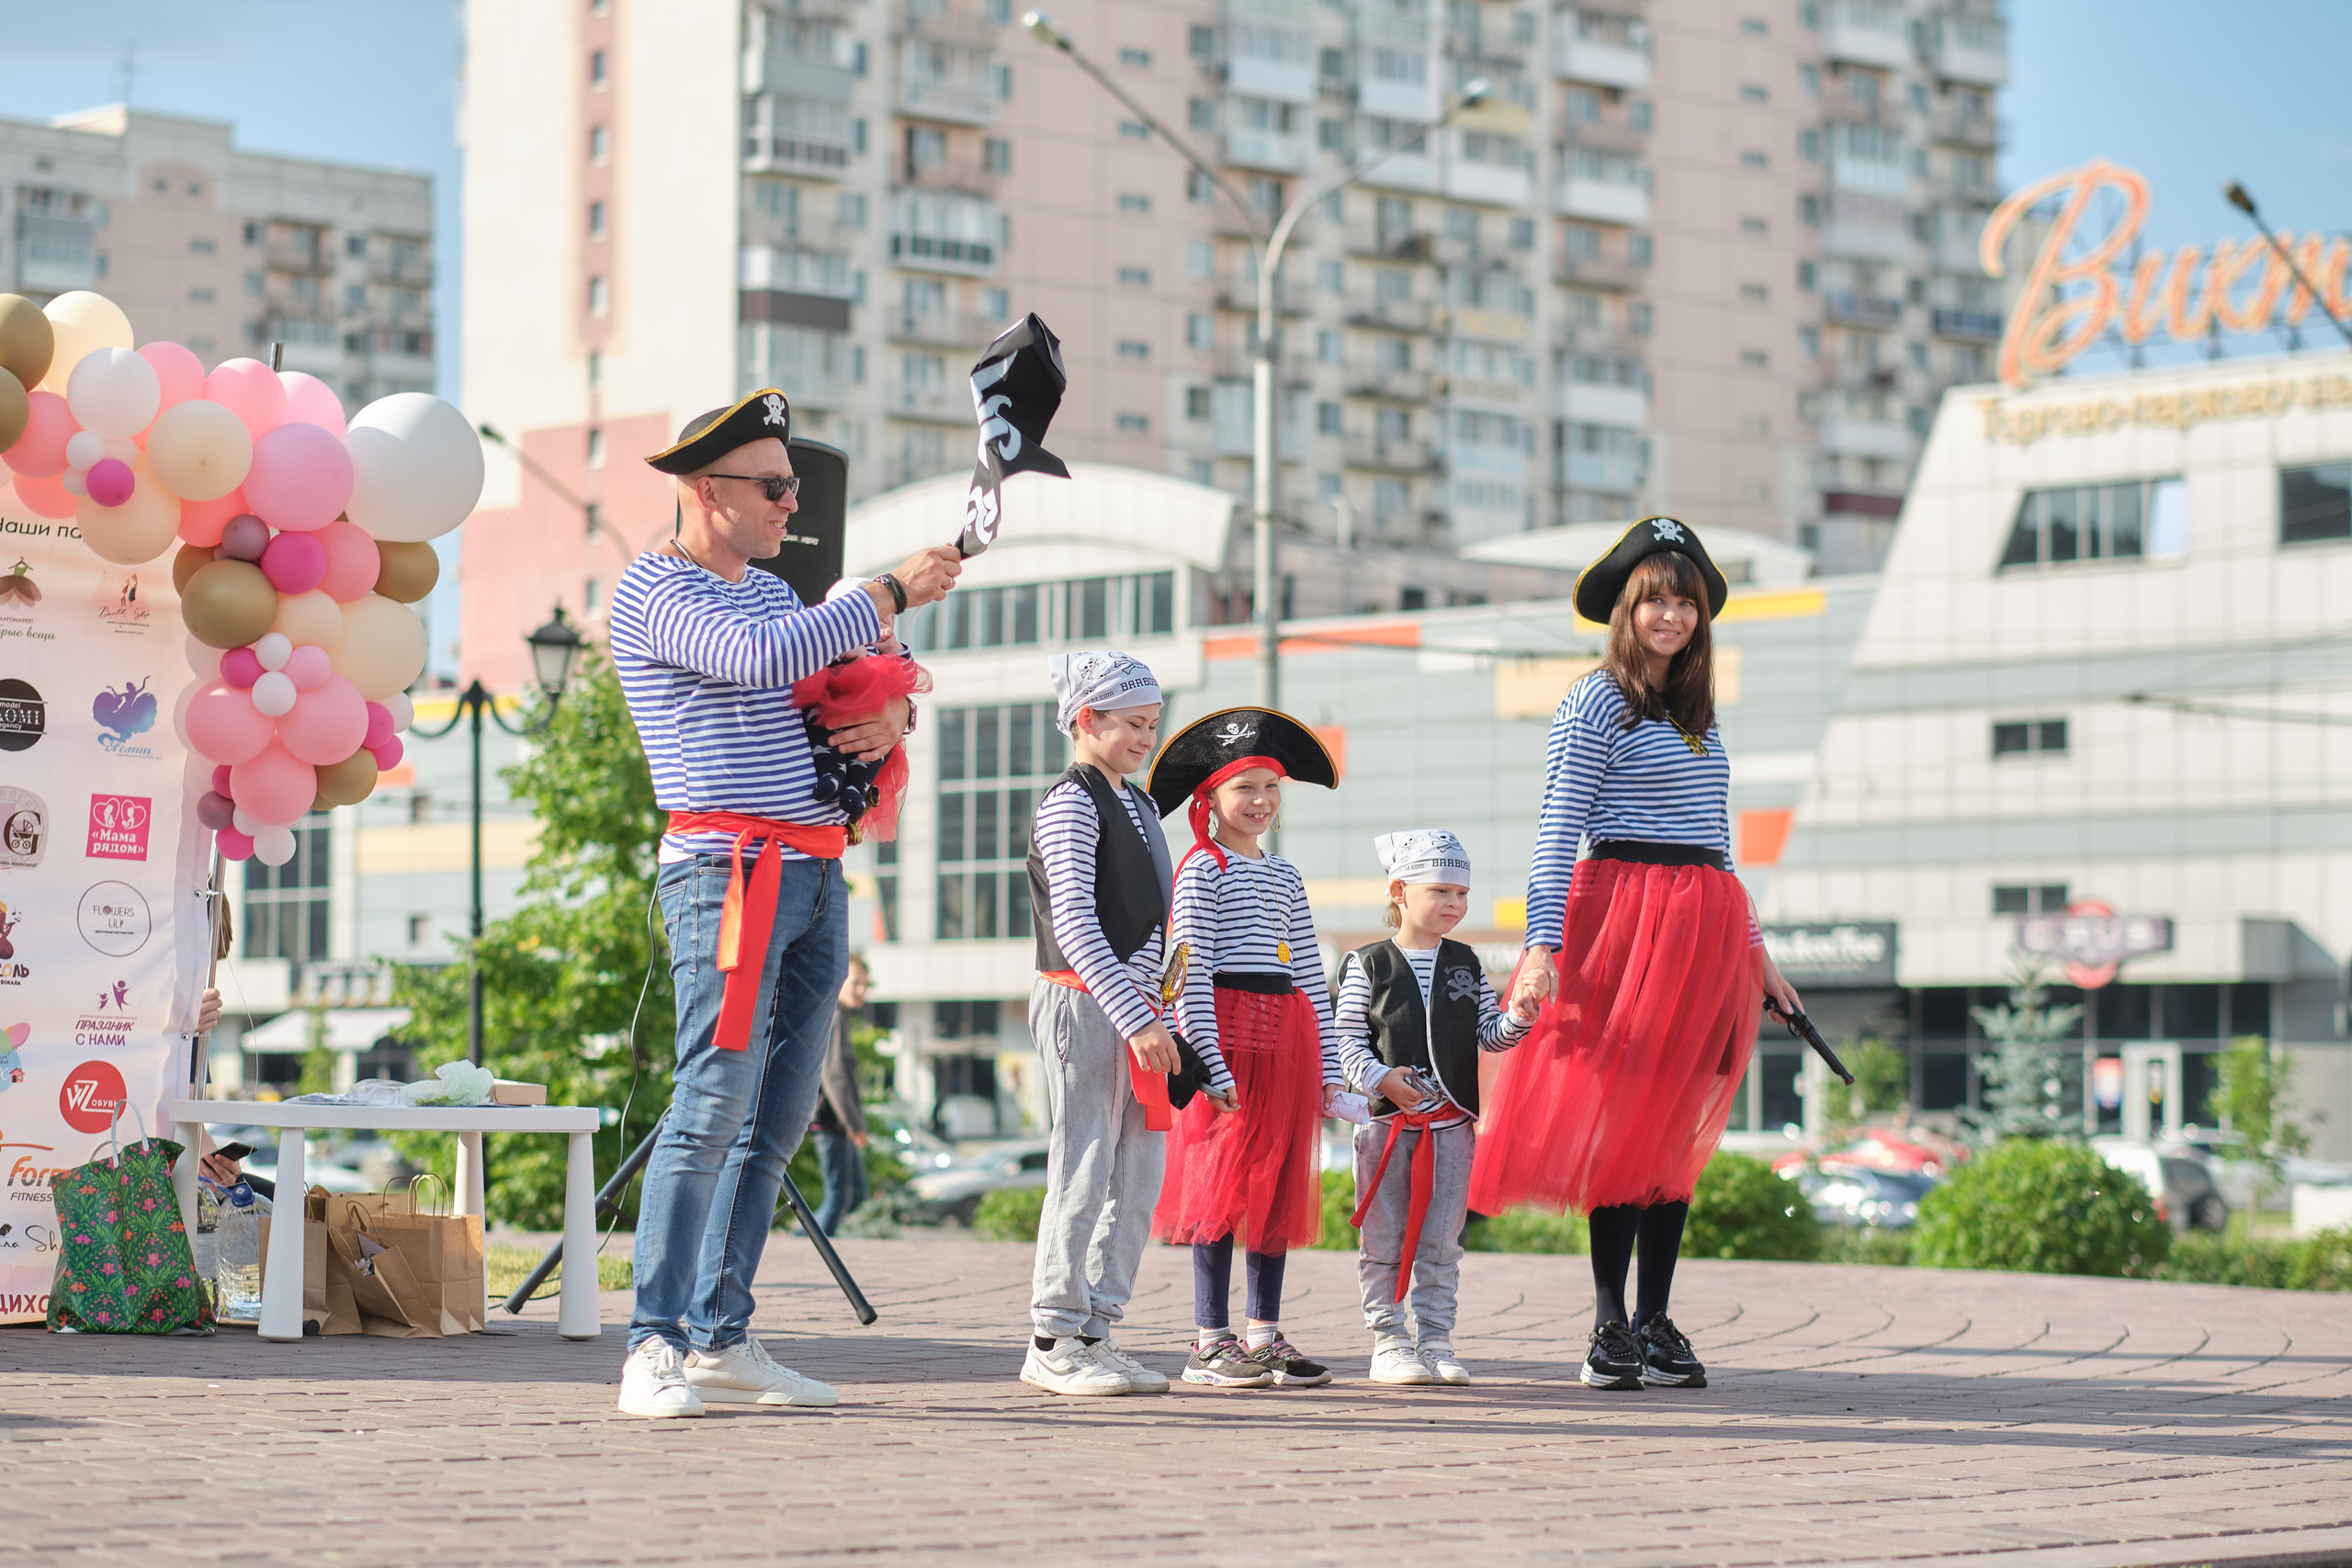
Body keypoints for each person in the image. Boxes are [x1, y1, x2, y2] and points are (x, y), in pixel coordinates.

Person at [606, 389, 961, 1419]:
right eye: (772, 486)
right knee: (711, 1101)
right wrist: (886, 587)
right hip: (728, 869)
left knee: (780, 1115)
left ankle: (720, 1334)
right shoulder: (653, 591)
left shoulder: (770, 593)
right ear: (703, 490)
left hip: (813, 865)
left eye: (793, 486)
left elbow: (830, 681)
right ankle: (653, 1343)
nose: (789, 504)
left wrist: (892, 711)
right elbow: (762, 663)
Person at [1470, 517, 1803, 1393]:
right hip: (1622, 920)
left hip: (1705, 927)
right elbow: (1556, 831)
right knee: (1625, 1122)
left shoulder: (1699, 715)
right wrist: (1541, 945)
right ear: (1626, 607)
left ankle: (1657, 1319)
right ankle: (1608, 1323)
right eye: (1655, 597)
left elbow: (1719, 845)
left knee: (1674, 1128)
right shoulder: (1595, 700)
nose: (1671, 614)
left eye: (1685, 601)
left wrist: (1760, 956)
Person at [1144, 706, 1342, 1389]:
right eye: (1244, 788)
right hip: (1227, 1035)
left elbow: (1312, 977)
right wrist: (1210, 1064)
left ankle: (1264, 1333)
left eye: (1270, 788)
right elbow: (1186, 974)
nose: (1260, 802)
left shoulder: (1286, 876)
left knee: (1275, 1187)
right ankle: (1208, 1340)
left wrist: (1332, 1068)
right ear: (1210, 800)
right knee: (1219, 1188)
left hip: (1286, 1039)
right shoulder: (1202, 870)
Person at [1020, 650, 1178, 1398]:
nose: (1147, 736)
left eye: (1152, 723)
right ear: (1086, 719)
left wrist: (1165, 1011)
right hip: (1085, 1003)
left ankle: (1095, 1328)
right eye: (1133, 723)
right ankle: (1052, 1333)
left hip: (1139, 1010)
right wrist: (1137, 1014)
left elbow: (1160, 923)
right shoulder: (1070, 802)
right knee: (1082, 1166)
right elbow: (1077, 923)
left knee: (1137, 1174)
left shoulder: (1141, 805)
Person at [1336, 830, 1534, 1387]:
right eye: (1441, 891)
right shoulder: (1367, 964)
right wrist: (1380, 1078)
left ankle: (1436, 1339)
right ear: (1399, 890)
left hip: (1451, 1129)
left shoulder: (1466, 963)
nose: (1454, 904)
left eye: (1462, 894)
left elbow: (1488, 1036)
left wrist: (1518, 1015)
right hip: (1385, 1129)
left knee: (1443, 1239)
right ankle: (1388, 1340)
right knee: (1385, 1237)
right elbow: (1346, 1039)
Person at [810, 956, 873, 1235]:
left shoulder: (840, 1017)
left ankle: (804, 1236)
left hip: (839, 1123)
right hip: (830, 1120)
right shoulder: (835, 1017)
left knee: (855, 1195)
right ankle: (807, 1243)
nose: (861, 991)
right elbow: (835, 1077)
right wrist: (854, 1124)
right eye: (856, 984)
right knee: (839, 1197)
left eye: (865, 986)